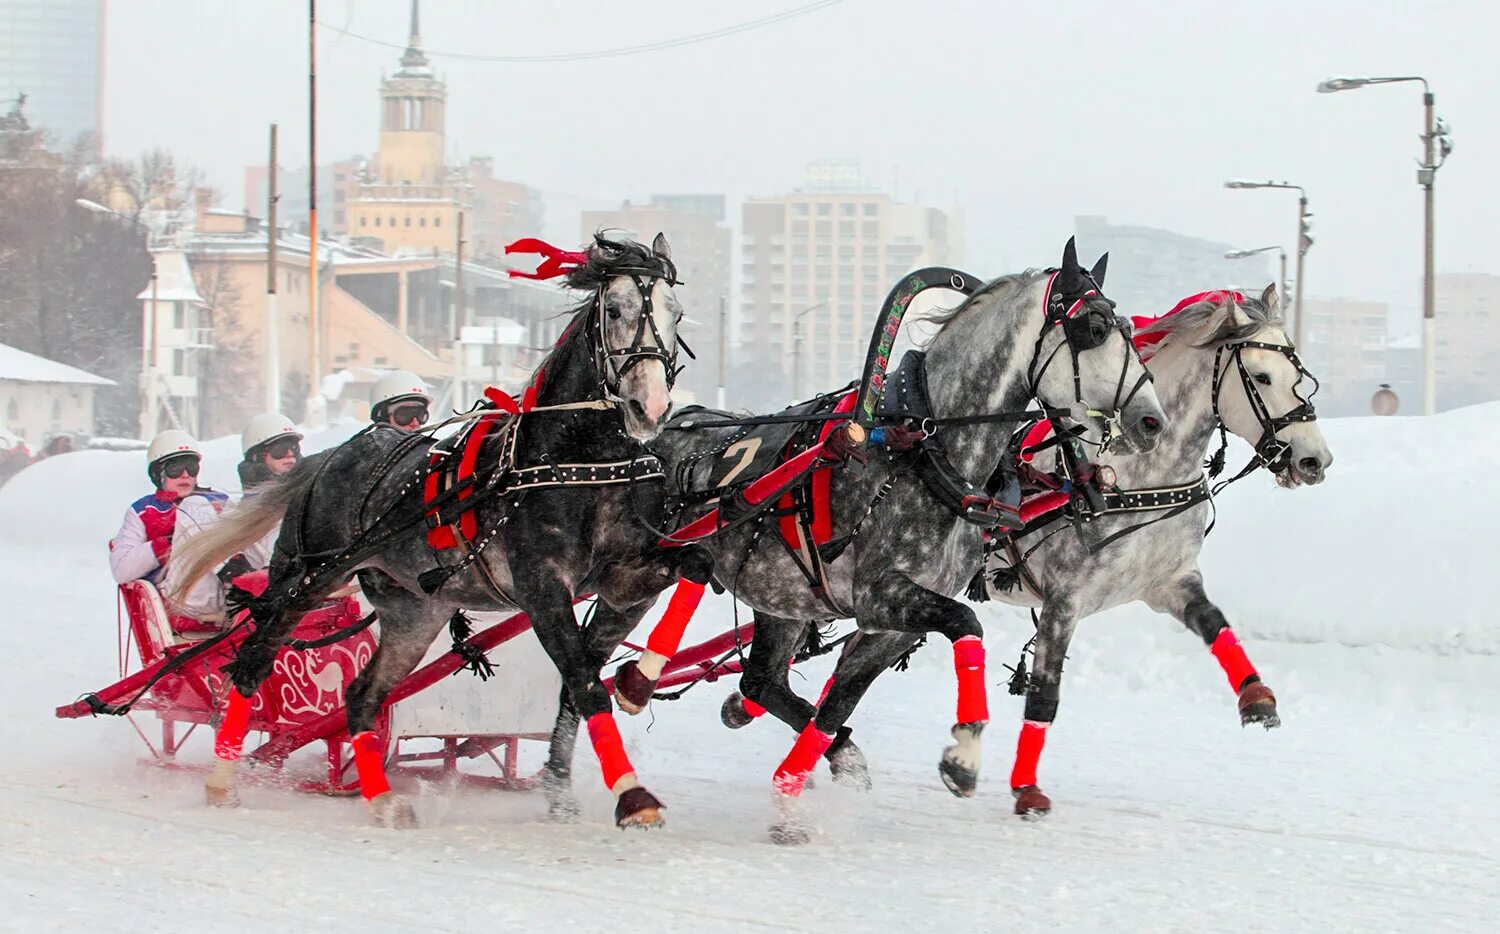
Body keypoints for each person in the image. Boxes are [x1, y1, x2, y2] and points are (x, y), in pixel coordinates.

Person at [109, 430, 228, 625]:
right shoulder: (144, 510)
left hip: (229, 593)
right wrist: (170, 544)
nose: (185, 474)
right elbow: (122, 570)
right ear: (158, 473)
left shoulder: (218, 501)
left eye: (191, 467)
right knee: (194, 505)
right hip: (185, 596)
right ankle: (235, 576)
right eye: (175, 468)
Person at [201, 412, 304, 585]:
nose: (289, 454)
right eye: (280, 449)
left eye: (294, 448)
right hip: (267, 578)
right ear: (257, 456)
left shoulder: (309, 491)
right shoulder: (239, 507)